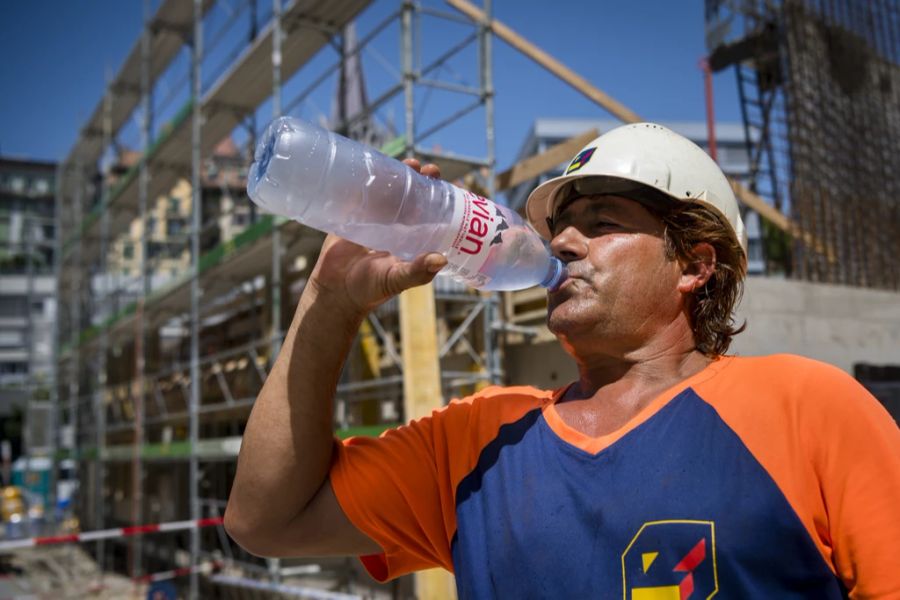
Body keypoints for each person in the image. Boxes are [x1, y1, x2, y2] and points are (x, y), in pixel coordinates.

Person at [225, 123, 900, 598]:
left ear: (694, 266)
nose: (565, 241)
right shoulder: (476, 440)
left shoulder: (808, 407)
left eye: (603, 222)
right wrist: (330, 301)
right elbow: (266, 521)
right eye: (559, 226)